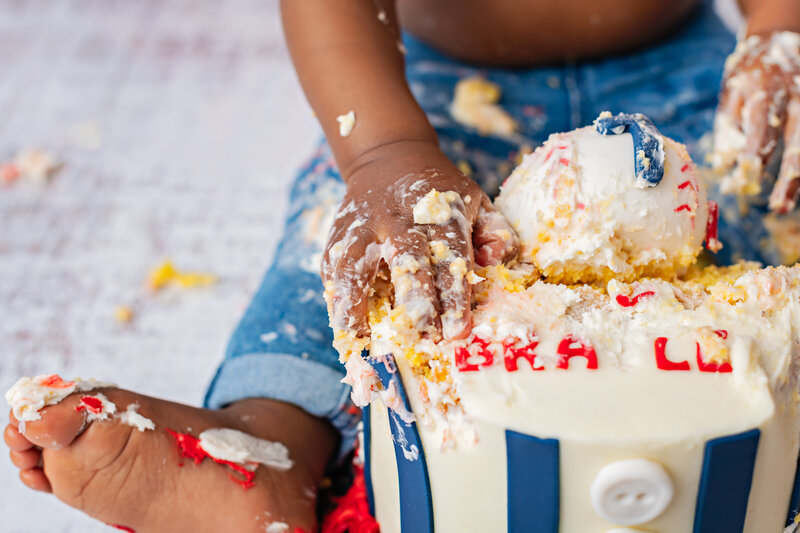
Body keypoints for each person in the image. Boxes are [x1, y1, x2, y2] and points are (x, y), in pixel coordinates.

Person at [5, 0, 800, 531]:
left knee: (766, 216)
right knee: (362, 261)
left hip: (692, 77)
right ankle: (270, 444)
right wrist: (386, 152)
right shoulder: (398, 130)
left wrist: (781, 26)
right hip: (422, 98)